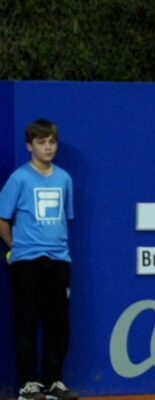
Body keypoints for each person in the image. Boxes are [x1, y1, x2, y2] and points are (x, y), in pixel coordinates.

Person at [0, 119, 79, 400]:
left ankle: (53, 381)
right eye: (42, 142)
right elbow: (2, 219)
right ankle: (28, 384)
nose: (48, 147)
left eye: (52, 142)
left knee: (59, 323)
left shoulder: (64, 179)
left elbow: (62, 220)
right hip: (26, 261)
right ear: (29, 146)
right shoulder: (19, 179)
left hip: (58, 260)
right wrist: (14, 249)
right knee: (27, 322)